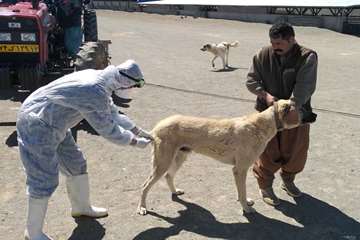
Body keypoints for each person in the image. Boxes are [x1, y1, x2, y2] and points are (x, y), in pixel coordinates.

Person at [17, 59, 153, 240]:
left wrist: (136, 129)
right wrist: (134, 141)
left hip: (56, 123)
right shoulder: (93, 89)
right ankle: (33, 233)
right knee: (43, 178)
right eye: (134, 86)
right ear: (125, 82)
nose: (133, 90)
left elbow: (112, 112)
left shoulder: (101, 81)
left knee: (76, 164)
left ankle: (81, 207)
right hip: (38, 123)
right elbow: (108, 129)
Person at [246, 22, 317, 206]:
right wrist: (265, 94)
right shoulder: (262, 54)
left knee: (295, 152)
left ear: (292, 39)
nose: (275, 47)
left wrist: (291, 106)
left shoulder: (307, 57)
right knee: (267, 152)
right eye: (273, 43)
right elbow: (251, 80)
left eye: (279, 44)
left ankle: (288, 180)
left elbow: (305, 86)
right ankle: (265, 186)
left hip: (295, 114)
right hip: (266, 114)